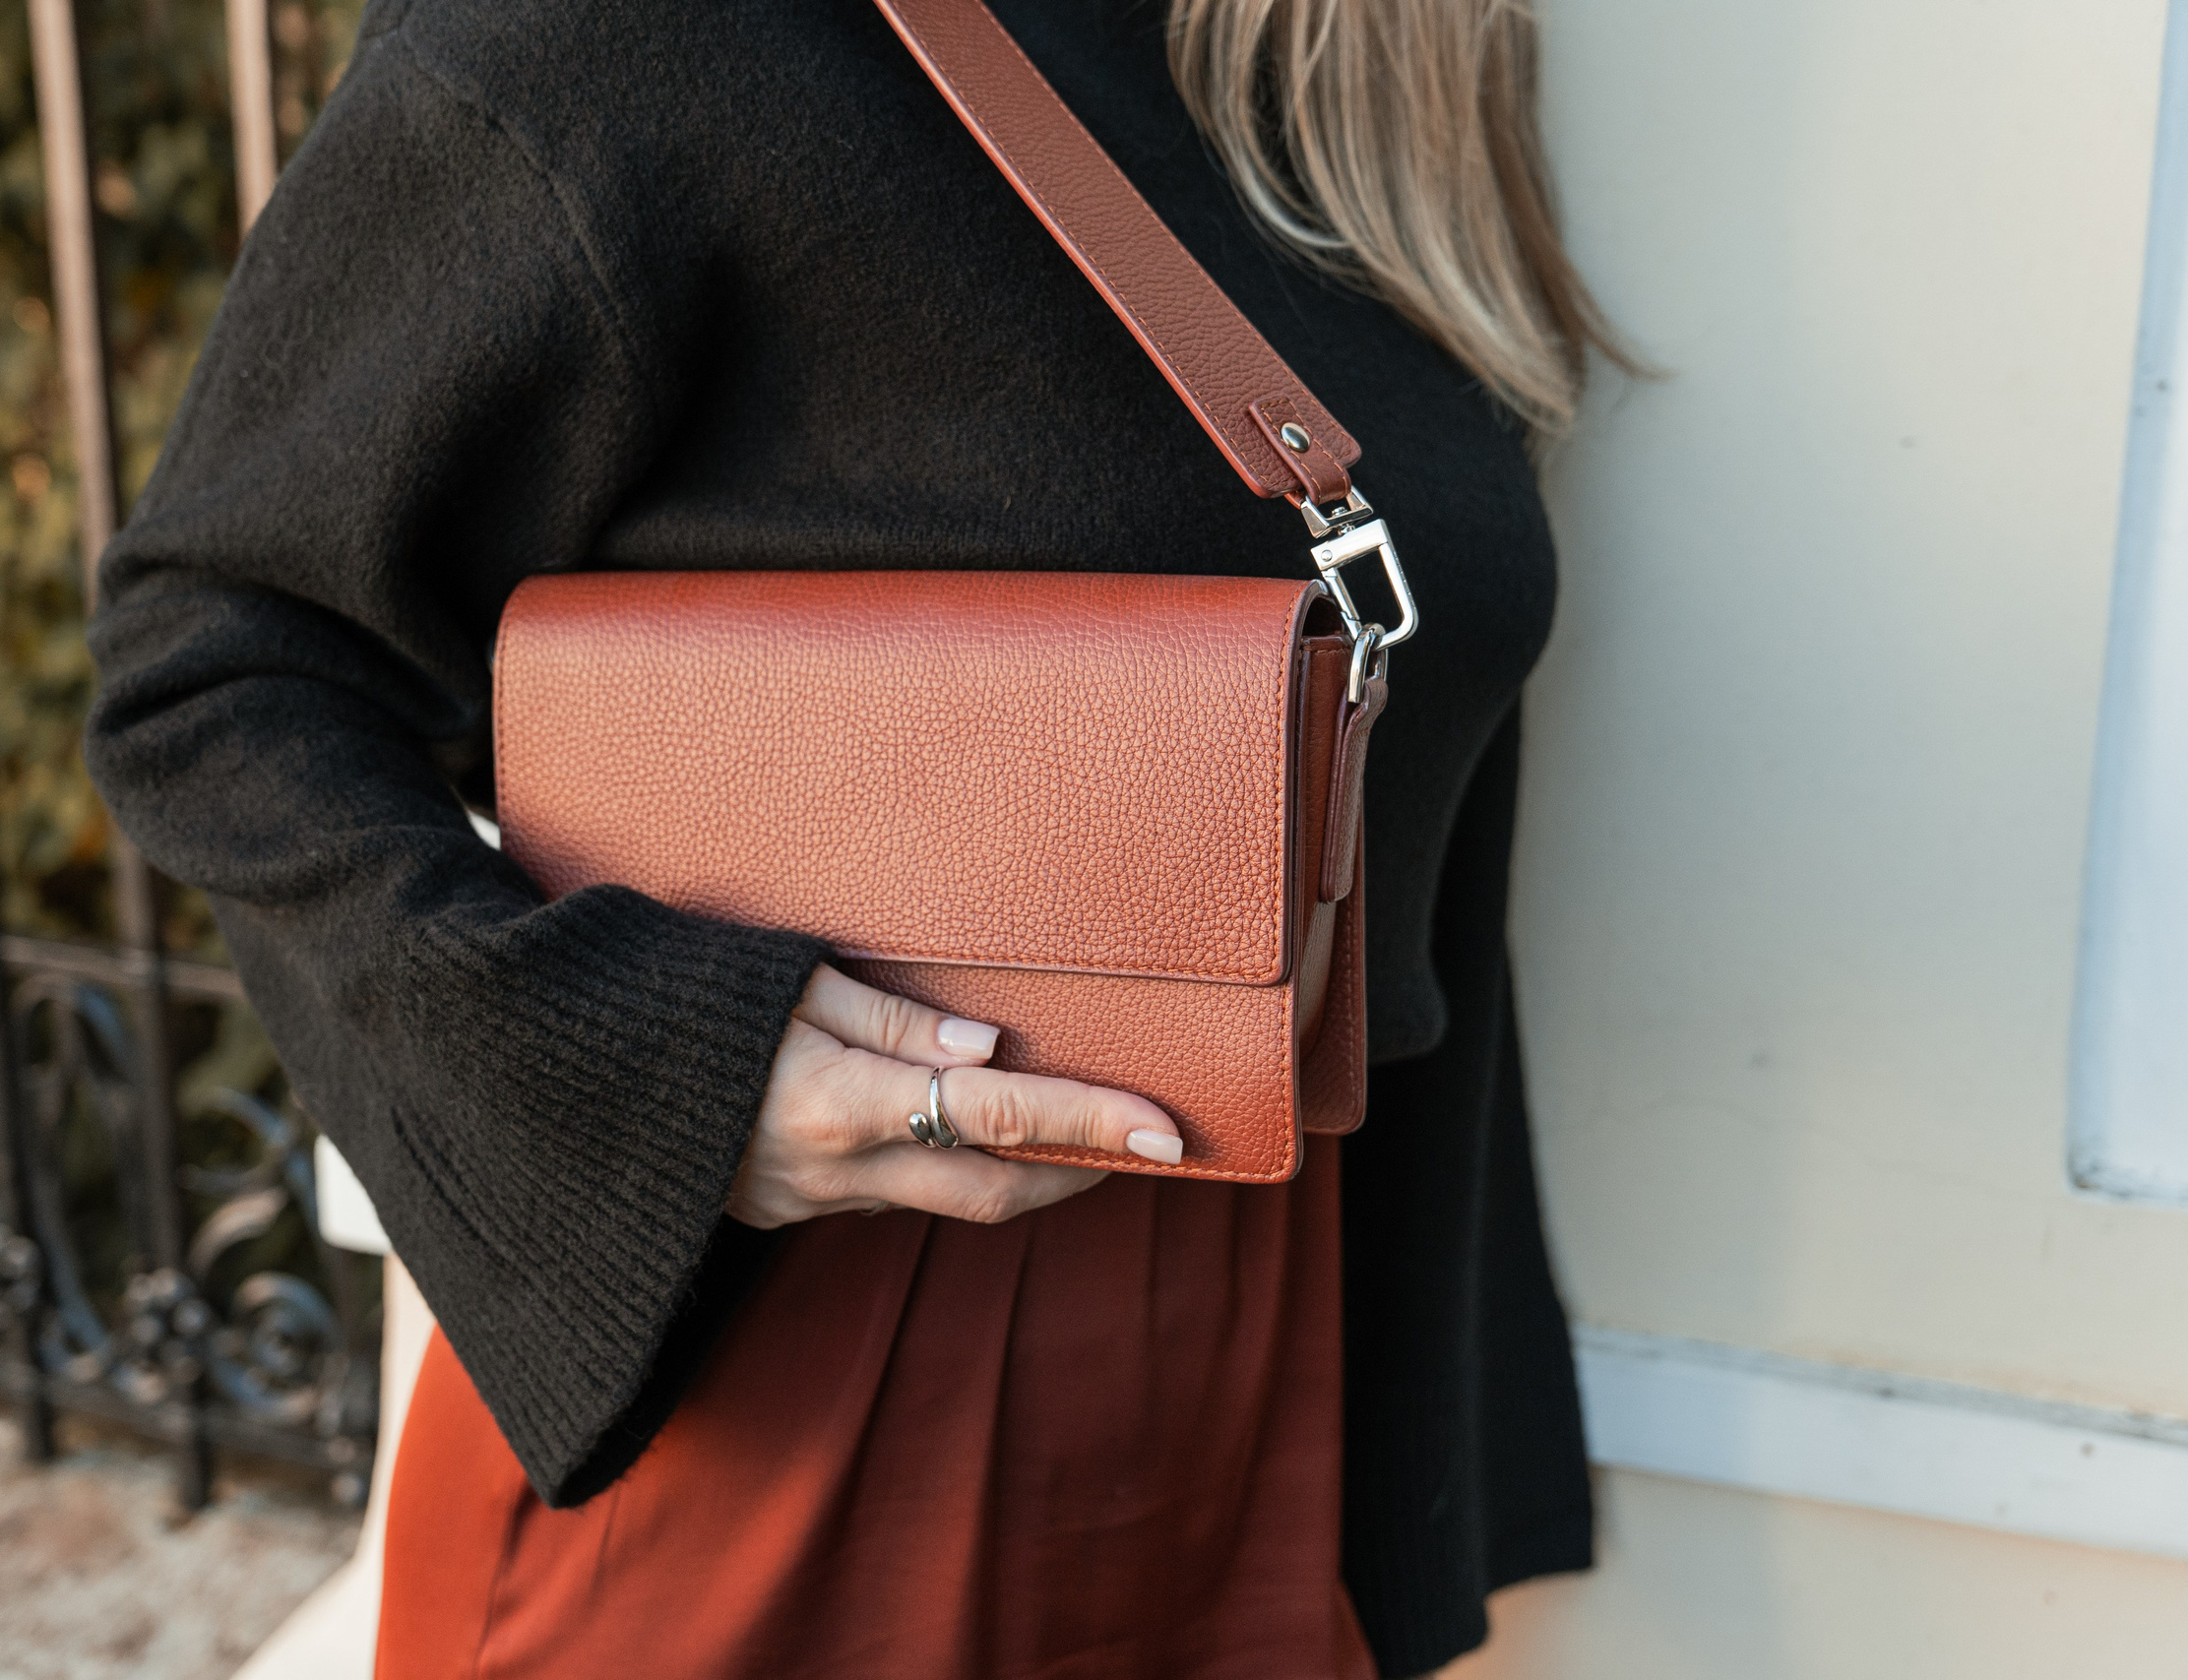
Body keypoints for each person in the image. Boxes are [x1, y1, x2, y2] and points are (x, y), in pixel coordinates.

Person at [86, 0, 1633, 1672]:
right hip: (811, 1391)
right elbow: (217, 660)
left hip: (1254, 1361)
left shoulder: (1346, 73)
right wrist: (663, 1078)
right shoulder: (626, 39)